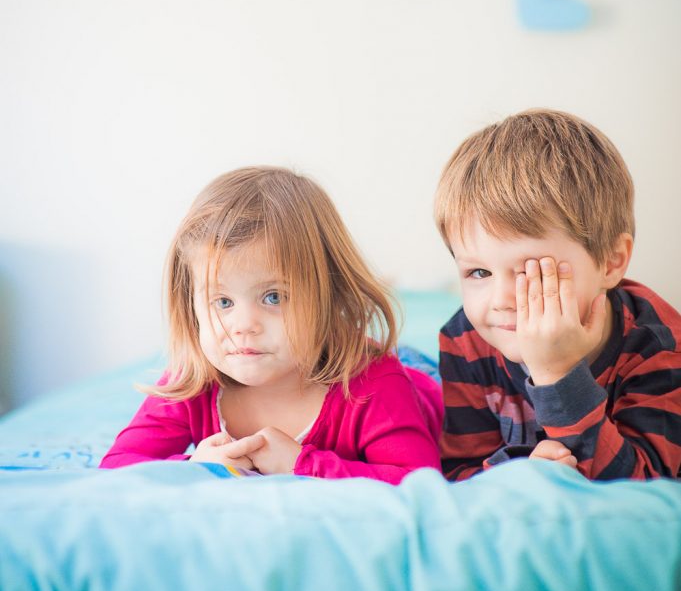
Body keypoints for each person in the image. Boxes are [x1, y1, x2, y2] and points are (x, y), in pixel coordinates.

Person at [101, 167, 443, 483]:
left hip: (410, 382)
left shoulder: (373, 383)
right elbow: (116, 467)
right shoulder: (191, 382)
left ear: (330, 295)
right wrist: (195, 469)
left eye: (273, 297)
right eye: (223, 302)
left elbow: (417, 480)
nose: (243, 326)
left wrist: (303, 464)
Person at [434, 108, 681, 481]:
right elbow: (459, 475)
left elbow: (648, 495)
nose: (501, 299)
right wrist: (519, 476)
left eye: (532, 272)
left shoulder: (659, 347)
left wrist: (559, 375)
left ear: (611, 263)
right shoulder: (466, 340)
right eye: (479, 272)